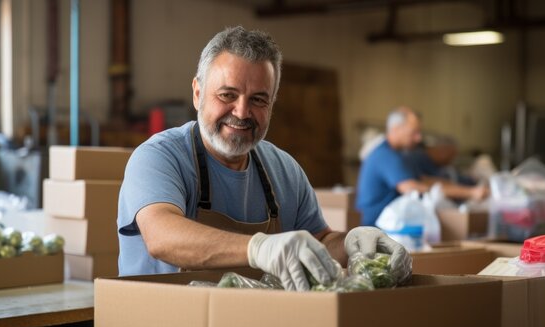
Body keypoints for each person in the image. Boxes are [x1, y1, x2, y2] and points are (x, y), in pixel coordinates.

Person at [117, 26, 412, 291]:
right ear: (197, 93)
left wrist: (352, 243)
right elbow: (161, 236)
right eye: (227, 95)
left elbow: (318, 241)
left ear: (271, 104)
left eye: (258, 99)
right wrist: (260, 247)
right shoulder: (159, 156)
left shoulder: (283, 169)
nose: (242, 112)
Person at [355, 106, 489, 226]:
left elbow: (425, 181)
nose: (418, 138)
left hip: (395, 223)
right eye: (414, 133)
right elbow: (413, 188)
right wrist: (470, 193)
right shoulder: (386, 156)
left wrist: (467, 190)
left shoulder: (402, 156)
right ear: (396, 129)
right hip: (378, 228)